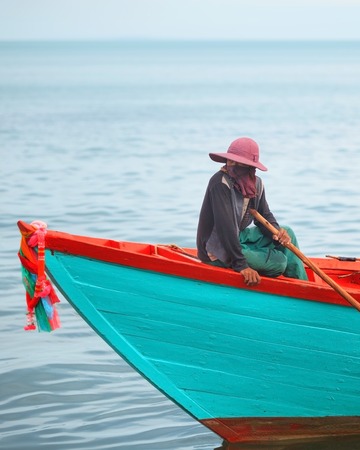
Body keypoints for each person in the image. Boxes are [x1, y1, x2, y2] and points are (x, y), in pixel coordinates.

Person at [196, 137, 308, 286]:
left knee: (288, 232)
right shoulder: (220, 183)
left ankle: (303, 286)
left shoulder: (255, 184)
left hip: (238, 238)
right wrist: (242, 265)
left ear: (250, 167)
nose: (231, 165)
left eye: (238, 163)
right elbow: (226, 229)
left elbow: (264, 215)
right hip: (217, 249)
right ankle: (261, 257)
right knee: (279, 263)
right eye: (230, 161)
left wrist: (277, 232)